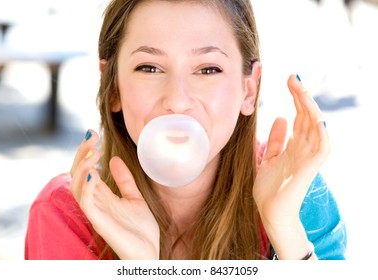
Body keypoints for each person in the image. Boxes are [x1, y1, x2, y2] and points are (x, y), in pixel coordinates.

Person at [24, 0, 347, 260]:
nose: (177, 101)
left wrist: (286, 230)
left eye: (208, 69)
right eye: (148, 68)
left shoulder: (295, 194)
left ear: (248, 90)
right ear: (113, 88)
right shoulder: (66, 213)